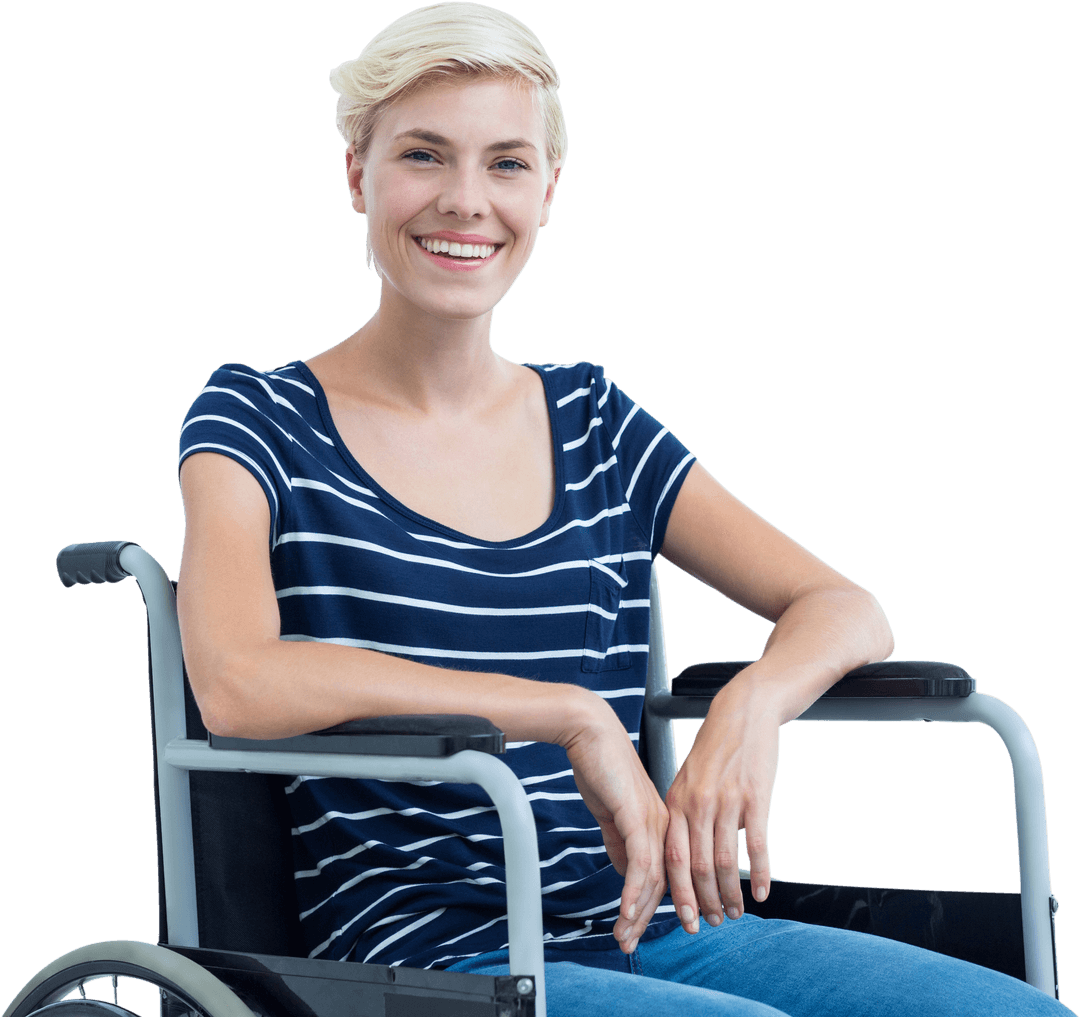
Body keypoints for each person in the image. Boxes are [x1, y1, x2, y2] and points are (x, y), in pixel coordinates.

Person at [175, 4, 1071, 1014]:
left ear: (547, 191)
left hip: (666, 926)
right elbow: (238, 682)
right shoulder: (257, 415)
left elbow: (843, 605)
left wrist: (754, 704)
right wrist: (568, 717)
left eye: (507, 164)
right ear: (357, 175)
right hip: (434, 963)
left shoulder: (596, 423)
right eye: (424, 156)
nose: (466, 202)